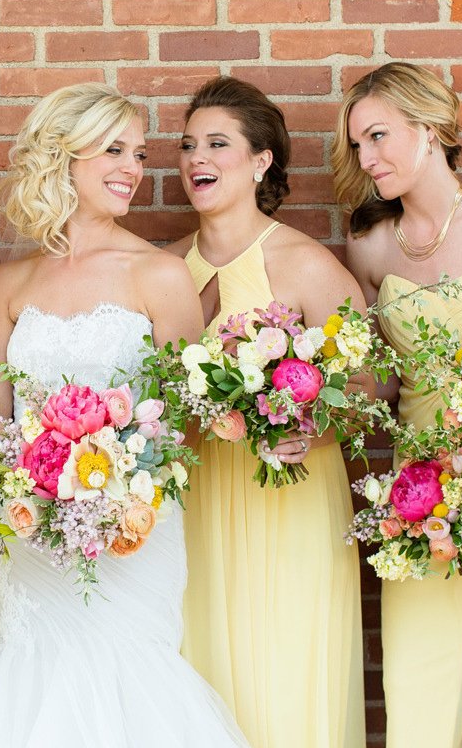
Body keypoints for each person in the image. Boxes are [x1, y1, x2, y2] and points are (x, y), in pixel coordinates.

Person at [0, 83, 248, 748]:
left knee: (132, 680)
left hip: (131, 526)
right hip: (29, 531)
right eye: (113, 150)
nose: (133, 169)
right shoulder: (11, 280)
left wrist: (115, 479)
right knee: (32, 681)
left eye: (139, 153)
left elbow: (183, 420)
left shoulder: (159, 276)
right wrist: (27, 483)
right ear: (62, 156)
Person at [333, 62, 462, 748]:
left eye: (379, 136)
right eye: (358, 144)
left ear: (431, 129)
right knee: (419, 678)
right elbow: (379, 385)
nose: (367, 158)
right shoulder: (368, 245)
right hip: (416, 494)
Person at [171, 76, 365, 746]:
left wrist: (307, 432)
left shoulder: (306, 266)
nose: (197, 158)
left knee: (282, 678)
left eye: (217, 144)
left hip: (289, 503)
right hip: (193, 502)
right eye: (189, 144)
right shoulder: (165, 269)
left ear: (261, 161)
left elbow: (371, 387)